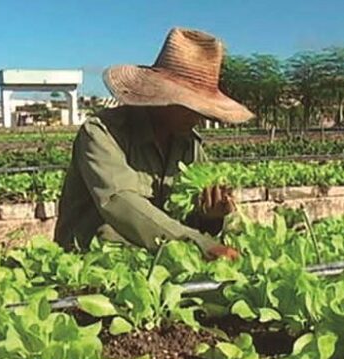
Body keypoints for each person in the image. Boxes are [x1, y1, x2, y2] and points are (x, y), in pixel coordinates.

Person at [56, 27, 254, 261]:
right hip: (89, 265)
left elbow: (187, 218)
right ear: (162, 97)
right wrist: (200, 244)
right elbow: (120, 201)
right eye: (192, 106)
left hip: (158, 263)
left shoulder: (189, 146)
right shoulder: (102, 133)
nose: (199, 117)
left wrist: (210, 217)